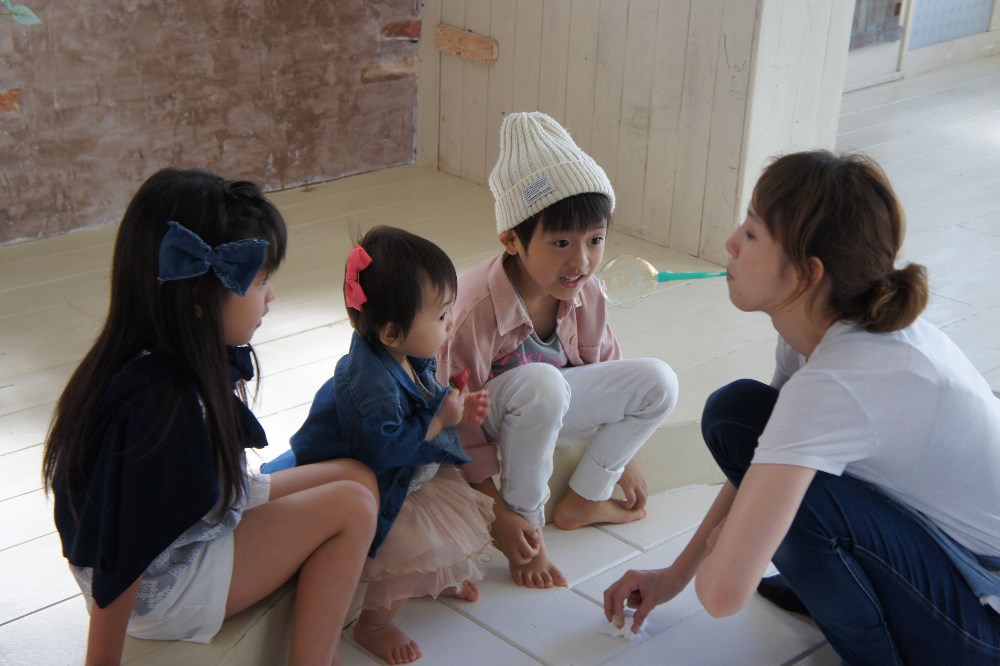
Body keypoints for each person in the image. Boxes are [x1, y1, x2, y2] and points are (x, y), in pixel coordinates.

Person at [603, 150, 1000, 664]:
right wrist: (674, 576)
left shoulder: (838, 381)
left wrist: (733, 547)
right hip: (948, 551)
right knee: (738, 414)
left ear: (805, 275)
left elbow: (721, 595)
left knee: (799, 502)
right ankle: (836, 588)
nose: (731, 243)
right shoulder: (823, 330)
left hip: (984, 608)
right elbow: (765, 460)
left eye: (752, 233)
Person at [42, 168, 379, 666]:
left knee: (358, 475)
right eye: (260, 280)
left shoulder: (167, 356)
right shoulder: (157, 411)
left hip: (196, 527)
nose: (271, 295)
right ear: (200, 297)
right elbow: (122, 552)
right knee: (353, 506)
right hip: (164, 586)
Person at [439, 111, 679, 589]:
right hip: (488, 418)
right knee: (542, 382)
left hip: (548, 407)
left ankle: (585, 499)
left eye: (595, 240)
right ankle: (528, 526)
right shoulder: (473, 309)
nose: (581, 260)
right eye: (562, 242)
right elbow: (454, 423)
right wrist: (499, 514)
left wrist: (622, 460)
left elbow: (606, 366)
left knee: (659, 381)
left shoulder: (586, 289)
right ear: (512, 239)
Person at [261, 225, 495, 665]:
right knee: (410, 542)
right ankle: (375, 623)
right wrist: (440, 421)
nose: (450, 323)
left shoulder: (405, 352)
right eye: (441, 316)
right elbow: (387, 450)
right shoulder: (371, 388)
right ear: (391, 332)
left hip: (395, 473)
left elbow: (423, 401)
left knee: (442, 522)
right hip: (371, 482)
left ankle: (424, 580)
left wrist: (452, 407)